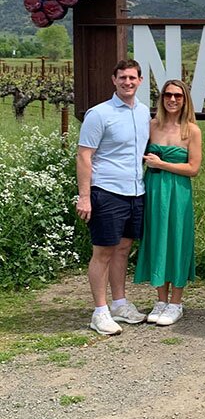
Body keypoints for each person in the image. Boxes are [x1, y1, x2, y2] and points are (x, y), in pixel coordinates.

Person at [75, 59, 152, 335]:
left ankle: (119, 304)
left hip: (135, 192)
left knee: (123, 250)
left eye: (132, 78)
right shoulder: (99, 114)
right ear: (113, 80)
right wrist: (85, 196)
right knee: (103, 252)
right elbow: (84, 155)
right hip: (106, 192)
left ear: (140, 81)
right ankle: (100, 311)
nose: (127, 82)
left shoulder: (143, 112)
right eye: (122, 78)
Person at [134, 79, 202, 327]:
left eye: (178, 96)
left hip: (178, 192)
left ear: (185, 100)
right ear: (161, 98)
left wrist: (162, 164)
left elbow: (193, 168)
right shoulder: (151, 125)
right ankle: (160, 300)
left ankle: (176, 302)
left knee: (177, 241)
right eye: (168, 95)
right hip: (153, 190)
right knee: (156, 240)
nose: (172, 100)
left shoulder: (191, 130)